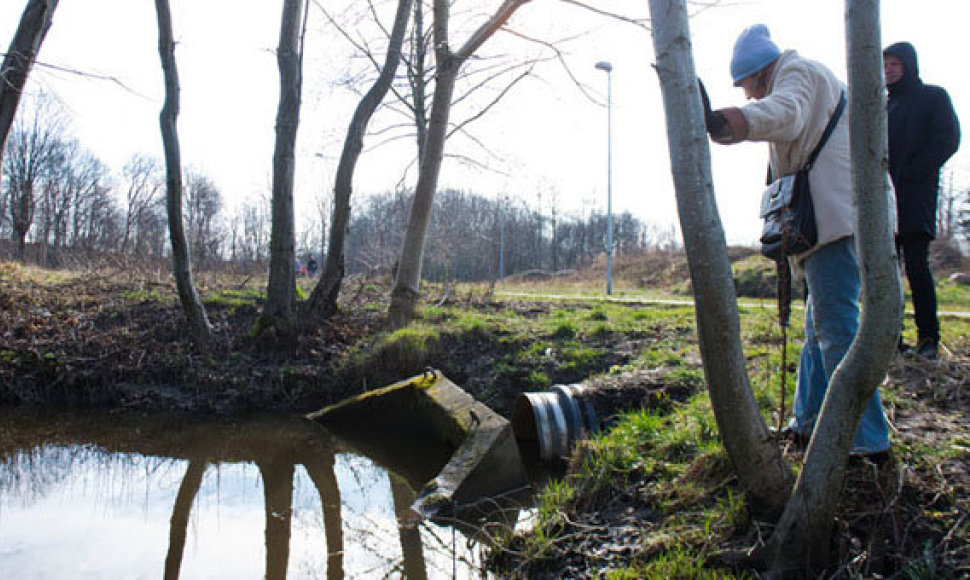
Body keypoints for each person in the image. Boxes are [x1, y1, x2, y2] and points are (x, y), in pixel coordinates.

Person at [706, 24, 890, 455]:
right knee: (818, 329)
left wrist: (730, 121)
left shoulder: (798, 74)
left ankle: (868, 441)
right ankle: (807, 422)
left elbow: (784, 114)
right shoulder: (799, 75)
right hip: (830, 221)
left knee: (837, 330)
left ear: (760, 71)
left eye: (747, 85)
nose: (749, 95)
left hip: (837, 220)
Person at [883, 42, 960, 360]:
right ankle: (891, 339)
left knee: (916, 267)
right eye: (885, 66)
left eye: (895, 65)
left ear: (909, 65)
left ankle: (928, 339)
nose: (888, 71)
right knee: (886, 272)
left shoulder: (933, 97)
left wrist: (916, 171)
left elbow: (948, 138)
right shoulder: (881, 107)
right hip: (884, 202)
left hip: (915, 197)